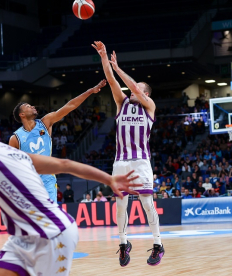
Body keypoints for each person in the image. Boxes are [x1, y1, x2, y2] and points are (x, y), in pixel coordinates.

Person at [0, 109, 140, 275]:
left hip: (52, 233)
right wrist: (109, 179)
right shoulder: (18, 154)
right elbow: (65, 164)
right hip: (23, 237)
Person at [93, 41, 164, 266]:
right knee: (121, 205)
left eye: (139, 87)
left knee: (146, 204)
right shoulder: (121, 103)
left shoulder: (149, 106)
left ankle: (158, 244)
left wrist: (119, 67)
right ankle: (123, 244)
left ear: (145, 93)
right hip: (120, 162)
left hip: (141, 162)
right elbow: (111, 80)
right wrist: (105, 58)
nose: (134, 89)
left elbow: (131, 86)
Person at [9, 80, 107, 202]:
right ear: (22, 114)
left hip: (47, 179)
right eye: (29, 106)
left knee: (51, 216)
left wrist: (90, 91)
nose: (33, 106)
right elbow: (12, 166)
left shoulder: (45, 122)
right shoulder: (15, 138)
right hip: (29, 181)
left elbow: (70, 106)